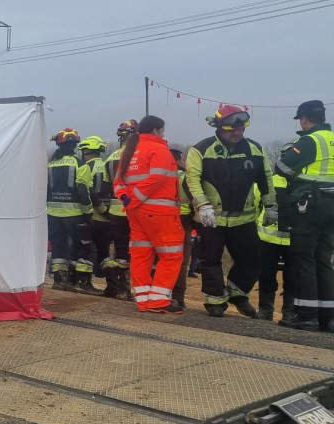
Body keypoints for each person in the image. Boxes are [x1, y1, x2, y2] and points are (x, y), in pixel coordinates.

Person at [186, 104, 275, 317]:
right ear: (219, 127)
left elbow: (266, 179)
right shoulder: (201, 149)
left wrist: (272, 206)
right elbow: (192, 180)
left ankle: (237, 292)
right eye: (231, 129)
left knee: (252, 259)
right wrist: (202, 205)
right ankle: (215, 301)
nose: (237, 133)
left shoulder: (255, 149)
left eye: (241, 128)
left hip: (243, 219)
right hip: (210, 218)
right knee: (210, 260)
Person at [113, 116, 185, 313]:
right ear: (155, 131)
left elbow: (118, 182)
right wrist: (135, 198)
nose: (163, 134)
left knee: (141, 254)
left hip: (135, 213)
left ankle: (143, 299)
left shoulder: (128, 151)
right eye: (162, 131)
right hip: (159, 211)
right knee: (171, 254)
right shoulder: (159, 149)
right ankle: (159, 300)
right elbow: (158, 177)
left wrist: (128, 199)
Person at [273, 100, 334, 331]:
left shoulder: (309, 140)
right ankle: (328, 318)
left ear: (304, 119)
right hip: (332, 207)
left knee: (303, 259)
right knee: (325, 260)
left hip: (309, 206)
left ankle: (307, 315)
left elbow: (282, 168)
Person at [47, 128, 94, 291]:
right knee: (83, 245)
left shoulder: (51, 164)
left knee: (58, 246)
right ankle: (82, 282)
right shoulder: (79, 163)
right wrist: (89, 212)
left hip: (52, 214)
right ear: (74, 145)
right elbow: (83, 191)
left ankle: (60, 281)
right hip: (74, 214)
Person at [100, 120, 139, 299]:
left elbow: (106, 187)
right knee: (139, 250)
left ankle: (118, 288)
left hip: (115, 212)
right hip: (135, 210)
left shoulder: (110, 157)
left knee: (119, 251)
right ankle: (134, 289)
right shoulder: (137, 154)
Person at [256, 171, 292, 321]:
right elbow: (256, 204)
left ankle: (290, 312)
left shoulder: (306, 182)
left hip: (295, 240)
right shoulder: (269, 181)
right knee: (266, 275)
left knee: (293, 278)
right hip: (267, 238)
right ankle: (265, 309)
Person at [78, 135, 109, 291]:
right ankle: (113, 285)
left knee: (88, 250)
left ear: (87, 151)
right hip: (107, 217)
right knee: (105, 252)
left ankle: (84, 282)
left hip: (91, 216)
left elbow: (85, 192)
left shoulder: (85, 168)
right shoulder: (106, 165)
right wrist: (106, 210)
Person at [170, 148, 194, 310]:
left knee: (161, 260)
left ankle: (160, 293)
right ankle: (178, 298)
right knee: (181, 262)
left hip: (161, 222)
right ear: (178, 160)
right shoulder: (185, 177)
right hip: (183, 223)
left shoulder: (160, 176)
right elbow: (196, 201)